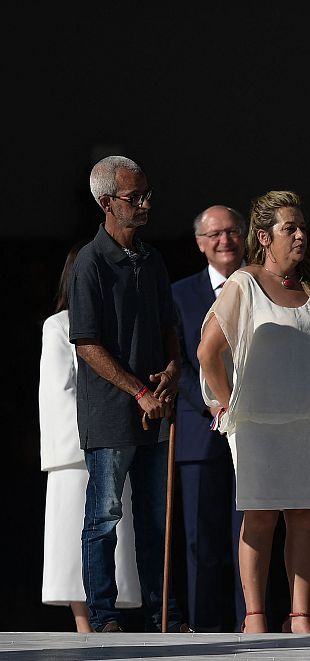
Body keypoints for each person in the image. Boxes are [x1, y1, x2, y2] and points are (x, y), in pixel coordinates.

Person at [197, 190, 310, 634]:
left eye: (302, 227)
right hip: (257, 425)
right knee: (260, 515)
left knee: (305, 517)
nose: (299, 235)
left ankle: (300, 616)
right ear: (263, 236)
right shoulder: (244, 283)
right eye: (288, 228)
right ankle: (255, 616)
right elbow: (208, 352)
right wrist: (226, 406)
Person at [69, 155, 186, 632]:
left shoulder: (151, 258)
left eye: (146, 195)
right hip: (114, 412)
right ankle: (103, 616)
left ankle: (165, 615)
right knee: (105, 517)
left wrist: (175, 367)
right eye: (133, 197)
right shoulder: (91, 262)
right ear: (105, 203)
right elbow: (87, 344)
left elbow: (168, 324)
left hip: (154, 407)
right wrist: (139, 391)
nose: (144, 204)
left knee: (158, 518)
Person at [40, 242, 141, 632]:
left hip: (115, 442)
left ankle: (106, 615)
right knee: (74, 535)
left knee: (111, 531)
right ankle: (85, 623)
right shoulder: (60, 325)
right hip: (79, 451)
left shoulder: (118, 324)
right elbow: (57, 392)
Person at [171, 205, 247, 632]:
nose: (225, 240)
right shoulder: (180, 293)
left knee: (249, 535)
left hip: (254, 430)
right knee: (202, 540)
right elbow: (177, 362)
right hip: (202, 430)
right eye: (215, 234)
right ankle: (204, 630)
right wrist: (215, 400)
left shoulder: (264, 285)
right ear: (200, 243)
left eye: (233, 231)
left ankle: (248, 621)